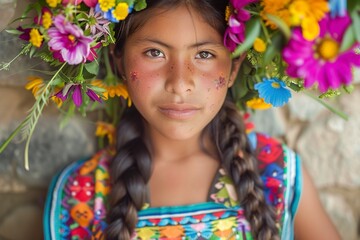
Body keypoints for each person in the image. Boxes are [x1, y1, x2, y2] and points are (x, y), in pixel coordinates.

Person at [44, 0, 341, 239]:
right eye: (154, 52)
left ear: (234, 67)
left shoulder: (276, 173)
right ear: (118, 59)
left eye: (204, 55)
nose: (180, 83)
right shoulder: (79, 192)